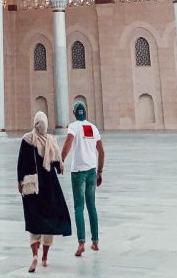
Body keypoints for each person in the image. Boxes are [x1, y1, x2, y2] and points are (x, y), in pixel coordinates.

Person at [17, 110, 72, 272]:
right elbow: (57, 165)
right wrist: (60, 164)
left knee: (34, 221)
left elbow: (21, 163)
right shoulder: (51, 140)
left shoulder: (27, 140)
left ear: (35, 123)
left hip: (32, 187)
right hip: (49, 187)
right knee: (49, 220)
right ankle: (45, 257)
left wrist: (20, 181)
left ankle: (34, 255)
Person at [61, 101, 104, 257]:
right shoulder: (93, 127)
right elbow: (102, 151)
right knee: (91, 206)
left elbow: (68, 142)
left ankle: (81, 243)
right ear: (85, 112)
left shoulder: (73, 126)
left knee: (79, 207)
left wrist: (61, 160)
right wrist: (100, 171)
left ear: (74, 112)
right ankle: (95, 242)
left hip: (78, 172)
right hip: (92, 170)